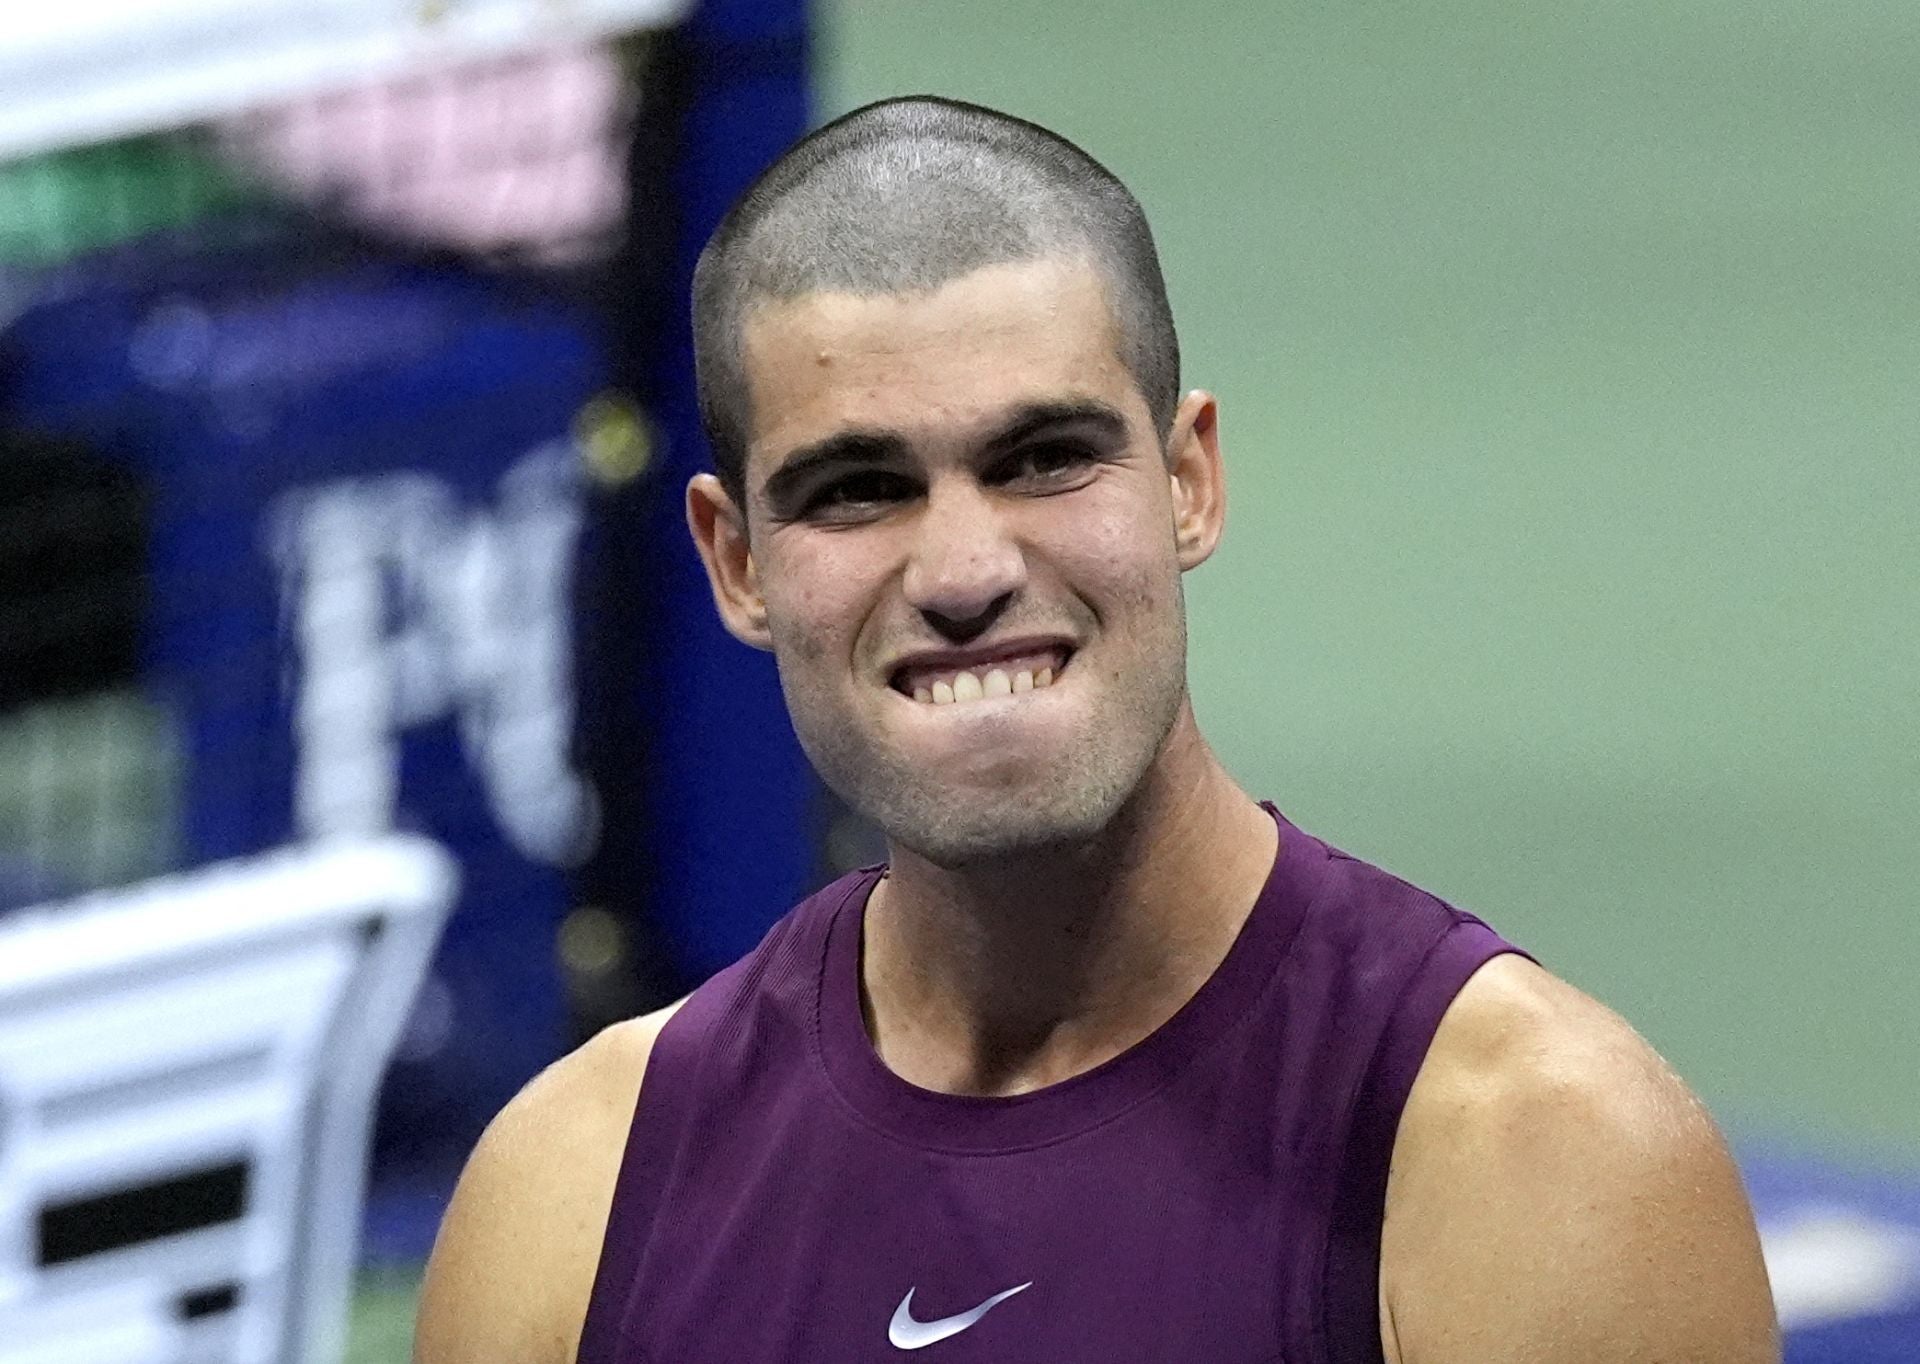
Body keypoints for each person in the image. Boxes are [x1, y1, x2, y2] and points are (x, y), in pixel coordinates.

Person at [414, 96, 1778, 1363]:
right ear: (738, 564)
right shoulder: (573, 1202)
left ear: (1189, 482)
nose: (962, 572)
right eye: (857, 488)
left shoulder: (1537, 1166)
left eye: (1045, 459)